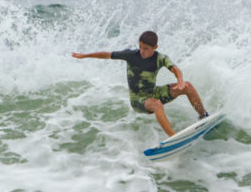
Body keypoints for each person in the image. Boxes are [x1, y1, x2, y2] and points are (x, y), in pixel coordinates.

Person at [72, 30, 208, 137]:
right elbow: (107, 55)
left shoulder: (160, 58)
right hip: (138, 100)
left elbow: (175, 69)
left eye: (146, 48)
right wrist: (84, 56)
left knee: (188, 87)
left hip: (153, 93)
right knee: (156, 104)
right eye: (141, 47)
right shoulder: (130, 55)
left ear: (155, 47)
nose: (142, 51)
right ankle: (174, 137)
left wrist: (180, 81)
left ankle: (203, 116)